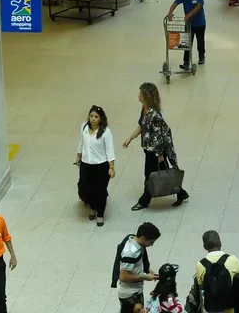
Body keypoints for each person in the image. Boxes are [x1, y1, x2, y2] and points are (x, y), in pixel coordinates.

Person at [124, 83, 190, 211]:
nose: (138, 95)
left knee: (149, 175)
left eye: (140, 94)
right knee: (161, 173)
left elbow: (159, 136)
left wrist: (160, 155)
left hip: (155, 151)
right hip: (148, 149)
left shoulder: (155, 115)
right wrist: (130, 138)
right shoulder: (145, 109)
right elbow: (141, 126)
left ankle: (144, 200)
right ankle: (181, 193)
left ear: (146, 97)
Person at [75, 105, 115, 227]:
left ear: (101, 119)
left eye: (96, 117)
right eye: (91, 116)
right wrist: (78, 156)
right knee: (87, 188)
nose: (93, 119)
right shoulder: (84, 127)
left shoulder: (105, 132)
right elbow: (81, 143)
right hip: (86, 165)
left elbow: (110, 150)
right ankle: (92, 206)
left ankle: (100, 213)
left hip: (101, 166)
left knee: (100, 190)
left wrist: (111, 167)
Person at [195, 230, 239, 313]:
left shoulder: (200, 265)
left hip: (210, 310)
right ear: (220, 243)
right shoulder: (233, 260)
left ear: (204, 247)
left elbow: (201, 286)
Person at [114, 222, 161, 307]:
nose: (152, 245)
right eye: (150, 242)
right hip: (129, 294)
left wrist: (148, 270)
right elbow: (123, 277)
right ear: (143, 238)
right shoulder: (130, 253)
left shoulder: (136, 243)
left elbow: (136, 263)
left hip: (135, 289)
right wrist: (145, 277)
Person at [167, 0, 206, 68]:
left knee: (200, 41)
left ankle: (201, 56)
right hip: (189, 24)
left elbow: (199, 6)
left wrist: (189, 14)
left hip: (200, 23)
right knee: (187, 43)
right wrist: (170, 12)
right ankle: (186, 62)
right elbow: (175, 3)